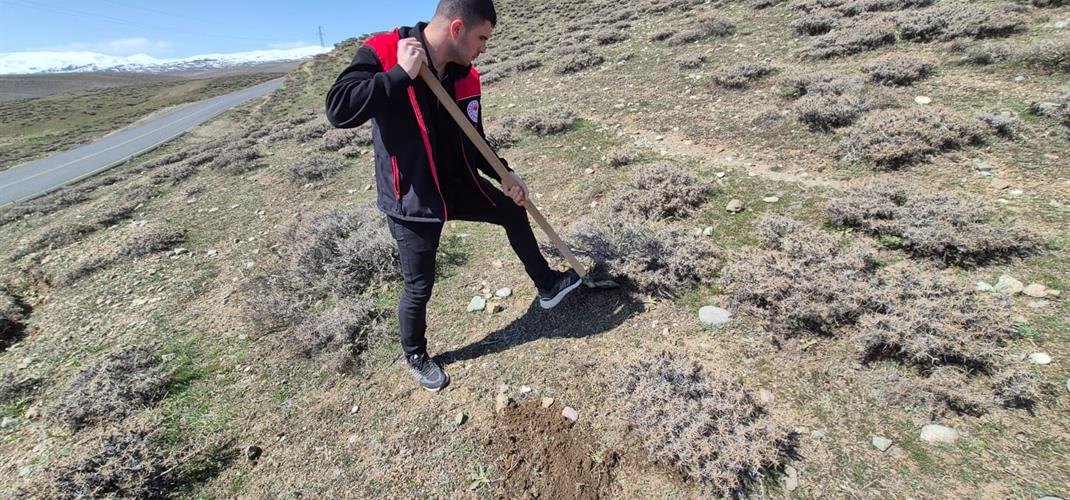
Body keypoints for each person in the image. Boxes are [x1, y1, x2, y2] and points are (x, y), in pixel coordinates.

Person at [325, 0, 582, 392]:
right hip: (411, 196)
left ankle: (547, 285)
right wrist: (398, 75)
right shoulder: (382, 50)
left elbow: (473, 135)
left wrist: (503, 170)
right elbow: (339, 109)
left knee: (511, 210)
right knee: (419, 285)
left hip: (457, 184)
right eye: (482, 38)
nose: (484, 48)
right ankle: (415, 354)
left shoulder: (467, 77)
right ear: (458, 28)